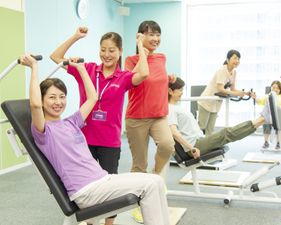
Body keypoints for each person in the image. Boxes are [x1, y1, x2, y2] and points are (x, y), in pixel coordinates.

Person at [20, 53, 170, 225]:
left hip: (102, 179)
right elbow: (35, 105)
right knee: (149, 187)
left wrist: (82, 69)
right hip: (86, 191)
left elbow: (93, 98)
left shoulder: (71, 122)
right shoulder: (43, 131)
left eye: (62, 96)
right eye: (52, 97)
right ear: (42, 100)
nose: (58, 102)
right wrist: (34, 67)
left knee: (157, 181)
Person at [50, 27, 150, 223]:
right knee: (87, 186)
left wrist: (140, 44)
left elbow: (144, 73)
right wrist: (76, 37)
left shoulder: (124, 78)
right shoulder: (85, 70)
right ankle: (90, 222)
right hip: (82, 140)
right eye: (103, 49)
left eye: (112, 50)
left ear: (120, 52)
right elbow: (55, 56)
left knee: (109, 189)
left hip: (109, 142)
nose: (106, 54)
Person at [124, 20, 176, 223]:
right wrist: (141, 51)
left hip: (159, 115)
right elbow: (133, 78)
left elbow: (156, 78)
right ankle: (138, 206)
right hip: (136, 117)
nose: (155, 39)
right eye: (150, 34)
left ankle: (157, 176)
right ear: (140, 36)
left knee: (167, 145)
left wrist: (169, 78)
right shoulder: (130, 59)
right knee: (139, 165)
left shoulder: (161, 58)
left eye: (158, 34)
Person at [168, 77, 272, 159]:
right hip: (194, 145)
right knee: (226, 134)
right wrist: (192, 148)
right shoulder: (170, 108)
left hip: (198, 140)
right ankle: (261, 120)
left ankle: (260, 121)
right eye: (179, 90)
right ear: (170, 91)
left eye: (182, 90)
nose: (182, 93)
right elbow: (173, 132)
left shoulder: (177, 106)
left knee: (225, 134)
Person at [197, 50, 252, 136]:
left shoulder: (234, 72)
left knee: (210, 129)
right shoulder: (221, 70)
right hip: (206, 101)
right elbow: (221, 89)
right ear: (228, 60)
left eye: (238, 59)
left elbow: (232, 88)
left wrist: (244, 93)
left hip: (216, 103)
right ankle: (189, 144)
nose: (237, 61)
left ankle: (208, 148)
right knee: (201, 126)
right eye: (235, 58)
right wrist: (237, 94)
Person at [251, 81, 281, 149]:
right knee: (266, 121)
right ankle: (266, 142)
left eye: (277, 88)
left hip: (280, 116)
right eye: (273, 87)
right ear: (271, 88)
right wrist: (255, 98)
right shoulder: (267, 96)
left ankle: (278, 143)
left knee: (279, 123)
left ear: (280, 89)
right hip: (269, 116)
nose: (275, 89)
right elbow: (259, 100)